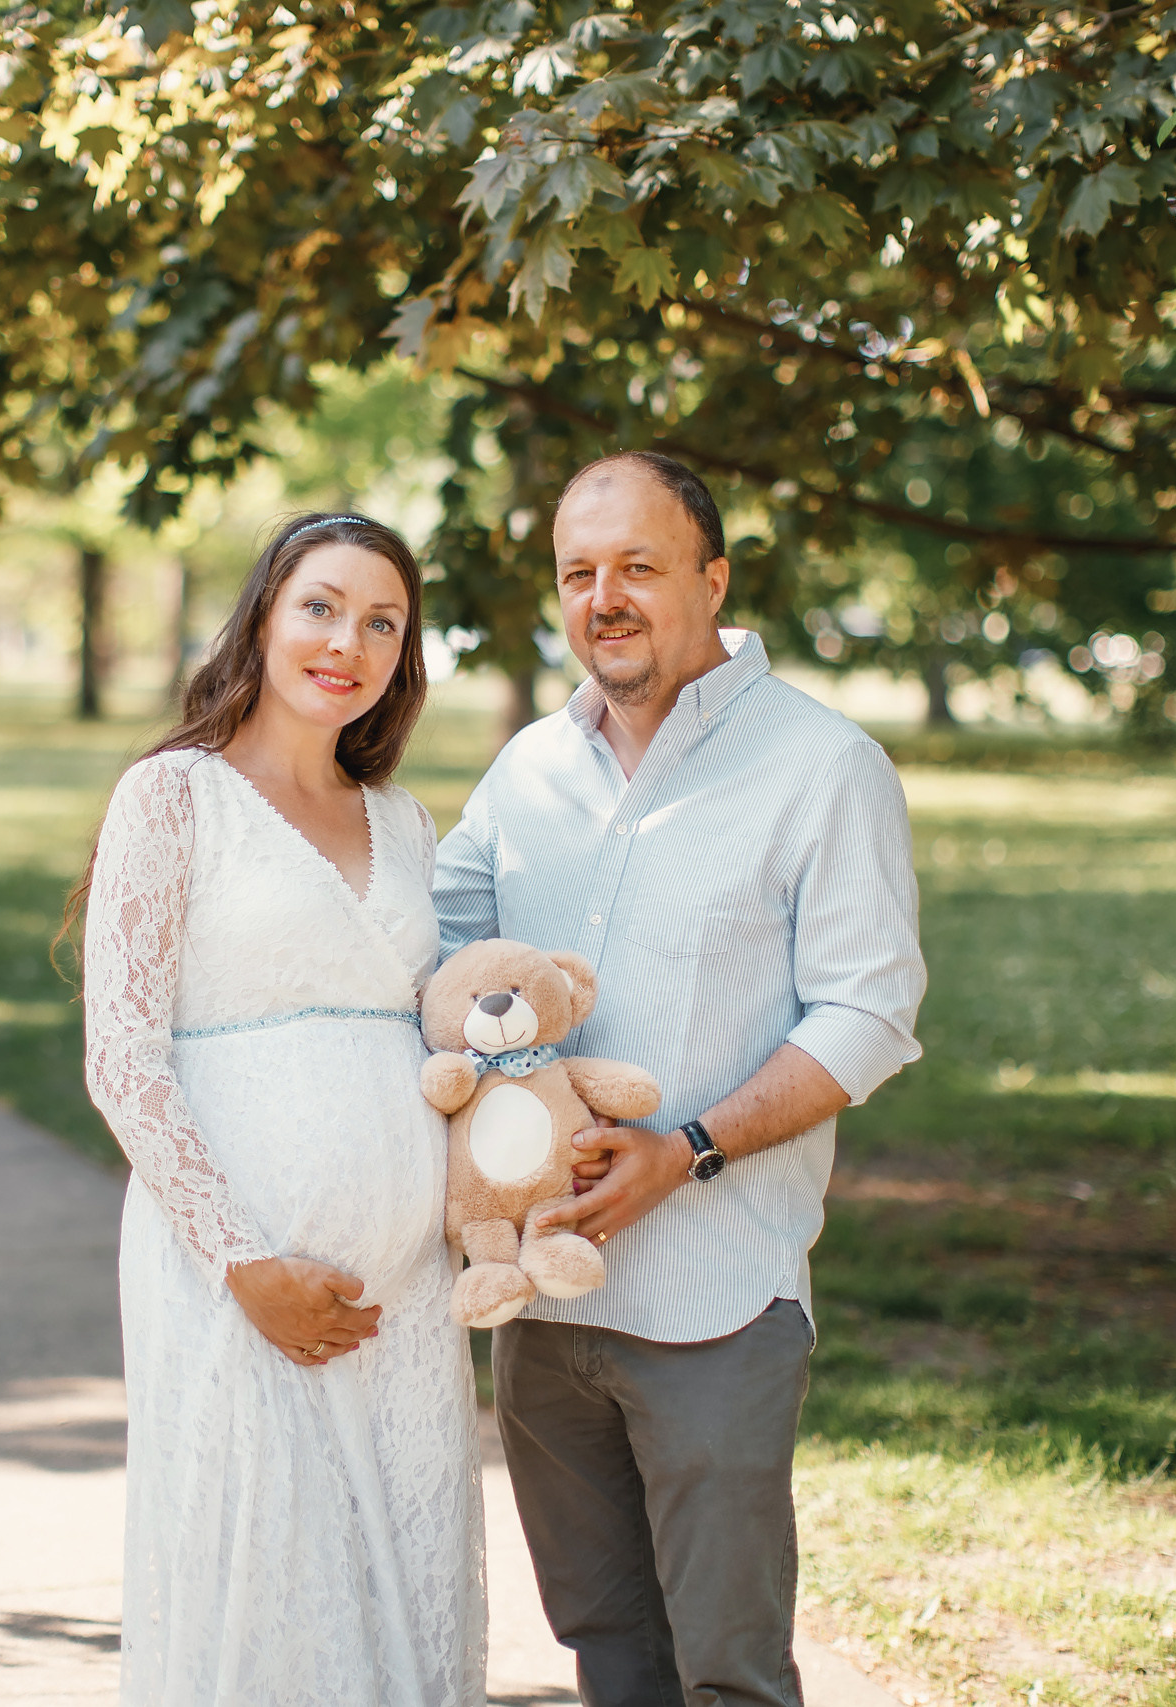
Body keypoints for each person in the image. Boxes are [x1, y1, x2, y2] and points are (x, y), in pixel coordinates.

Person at [433, 452, 926, 1707]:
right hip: (543, 1308)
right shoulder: (528, 769)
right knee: (605, 1648)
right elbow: (431, 953)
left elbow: (868, 1011)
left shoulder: (823, 765)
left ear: (712, 580)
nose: (604, 598)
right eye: (578, 573)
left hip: (714, 1303)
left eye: (638, 568)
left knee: (729, 1675)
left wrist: (688, 1147)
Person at [78, 513, 486, 1707]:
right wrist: (241, 1260)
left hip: (402, 1300)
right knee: (264, 1588)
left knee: (403, 1584)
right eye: (320, 605)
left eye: (381, 623)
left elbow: (438, 1034)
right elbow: (122, 1056)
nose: (344, 642)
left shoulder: (401, 820)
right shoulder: (174, 798)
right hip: (237, 1282)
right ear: (263, 612)